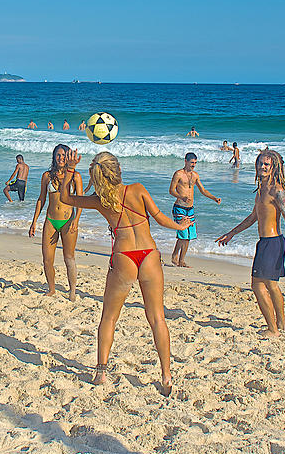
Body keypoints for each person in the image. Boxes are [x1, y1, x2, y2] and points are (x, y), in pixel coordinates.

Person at [59, 150, 192, 395]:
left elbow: (65, 198)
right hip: (149, 254)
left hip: (124, 257)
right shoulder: (137, 189)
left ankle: (101, 371)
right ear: (117, 170)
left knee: (109, 317)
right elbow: (161, 218)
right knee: (157, 318)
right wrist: (180, 226)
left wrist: (69, 169)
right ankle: (166, 375)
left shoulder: (100, 200)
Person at [216, 150, 285, 337]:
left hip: (273, 242)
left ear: (274, 167)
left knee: (259, 285)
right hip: (264, 242)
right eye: (260, 163)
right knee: (270, 285)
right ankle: (280, 325)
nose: (262, 167)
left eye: (266, 164)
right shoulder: (261, 189)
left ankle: (273, 329)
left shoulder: (277, 191)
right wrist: (231, 233)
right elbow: (253, 217)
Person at [29, 145, 83, 300]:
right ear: (54, 157)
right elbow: (41, 199)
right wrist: (34, 222)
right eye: (58, 155)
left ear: (69, 157)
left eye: (64, 155)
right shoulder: (47, 176)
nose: (61, 158)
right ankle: (51, 289)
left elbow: (80, 201)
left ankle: (72, 290)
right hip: (50, 221)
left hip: (68, 221)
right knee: (47, 259)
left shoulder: (75, 176)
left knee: (69, 258)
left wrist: (76, 220)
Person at [169, 152, 221, 267]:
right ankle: (181, 261)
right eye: (192, 162)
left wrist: (214, 198)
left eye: (195, 163)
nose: (193, 165)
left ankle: (175, 256)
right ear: (186, 161)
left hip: (190, 209)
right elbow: (171, 190)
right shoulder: (178, 174)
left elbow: (203, 190)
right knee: (184, 235)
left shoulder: (195, 175)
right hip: (179, 208)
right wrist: (181, 196)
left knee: (188, 235)